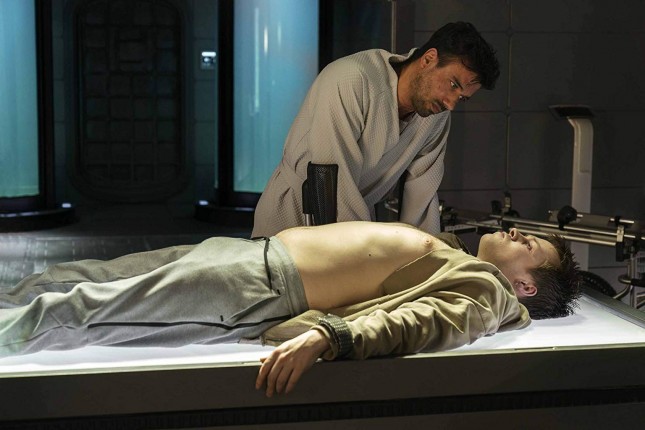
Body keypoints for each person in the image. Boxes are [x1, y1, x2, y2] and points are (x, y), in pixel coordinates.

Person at [0, 222, 580, 397]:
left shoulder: (487, 292)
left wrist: (333, 335)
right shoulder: (459, 259)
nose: (515, 233)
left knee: (79, 307)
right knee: (71, 280)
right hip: (252, 259)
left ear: (525, 287)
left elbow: (423, 324)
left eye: (530, 246)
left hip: (259, 285)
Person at [252, 22, 501, 238]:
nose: (451, 103)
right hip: (294, 213)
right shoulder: (351, 79)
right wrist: (366, 253)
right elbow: (329, 179)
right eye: (453, 84)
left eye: (462, 97)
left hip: (358, 222)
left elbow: (422, 195)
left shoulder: (436, 117)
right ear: (428, 59)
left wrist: (426, 259)